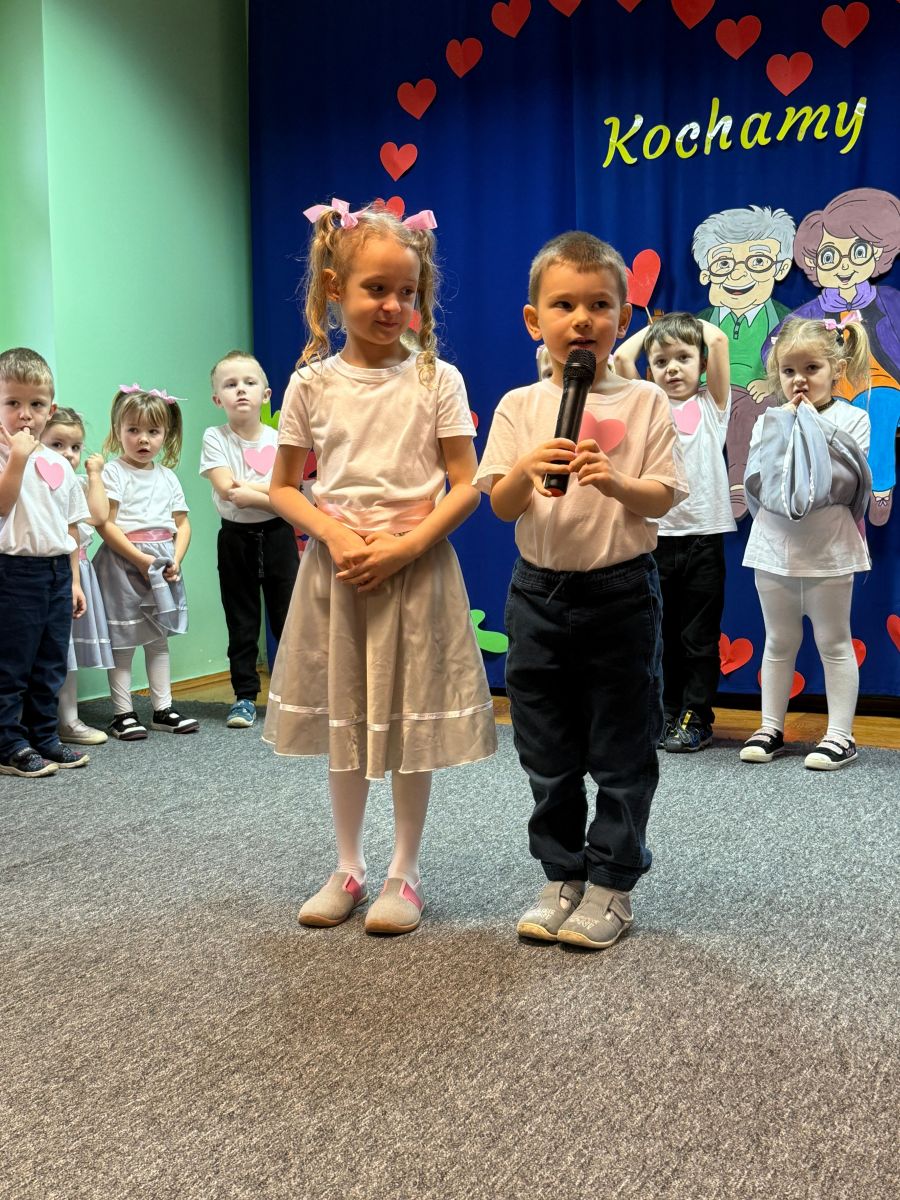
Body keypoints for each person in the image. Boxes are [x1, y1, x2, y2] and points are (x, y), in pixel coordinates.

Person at [263, 199, 496, 936]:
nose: (393, 306)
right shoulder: (310, 384)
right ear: (335, 289)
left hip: (414, 568)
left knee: (407, 722)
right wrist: (334, 534)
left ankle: (404, 871)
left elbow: (468, 483)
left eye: (407, 292)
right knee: (348, 716)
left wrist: (405, 545)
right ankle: (347, 865)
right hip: (338, 572)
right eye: (375, 289)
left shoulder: (437, 379)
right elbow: (282, 487)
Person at [475, 232, 686, 950]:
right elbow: (502, 505)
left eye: (599, 305)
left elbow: (662, 497)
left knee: (623, 745)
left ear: (623, 318)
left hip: (621, 593)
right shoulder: (519, 405)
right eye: (563, 305)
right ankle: (561, 873)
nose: (582, 320)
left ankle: (611, 882)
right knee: (546, 746)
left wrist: (616, 481)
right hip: (537, 594)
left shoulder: (647, 400)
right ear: (535, 320)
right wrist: (526, 468)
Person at [740, 317, 872, 770]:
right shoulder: (768, 422)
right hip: (773, 551)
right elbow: (764, 484)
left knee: (834, 642)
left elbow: (837, 483)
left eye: (812, 368)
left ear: (836, 369)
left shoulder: (853, 419)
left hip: (831, 552)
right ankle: (769, 727)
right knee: (778, 641)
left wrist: (808, 425)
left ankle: (840, 735)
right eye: (789, 370)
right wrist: (789, 425)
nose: (799, 379)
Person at [615, 313, 735, 752]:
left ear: (701, 364)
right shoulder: (647, 404)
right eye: (661, 361)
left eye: (683, 358)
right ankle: (665, 714)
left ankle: (696, 716)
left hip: (703, 538)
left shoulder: (713, 405)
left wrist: (684, 324)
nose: (672, 369)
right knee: (659, 635)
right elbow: (621, 358)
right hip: (656, 538)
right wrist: (655, 333)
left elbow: (717, 340)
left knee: (698, 638)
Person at [0, 348, 90, 777]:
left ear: (50, 410)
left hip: (56, 572)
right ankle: (7, 742)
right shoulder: (6, 457)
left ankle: (43, 734)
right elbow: (3, 506)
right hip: (13, 573)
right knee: (12, 663)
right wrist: (18, 456)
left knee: (50, 661)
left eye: (36, 404)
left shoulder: (58, 463)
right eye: (12, 403)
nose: (25, 414)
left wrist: (73, 581)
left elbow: (70, 528)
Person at [93, 385, 198, 739]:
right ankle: (122, 713)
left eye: (153, 431)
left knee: (157, 638)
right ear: (118, 431)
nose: (143, 439)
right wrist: (139, 559)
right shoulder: (114, 472)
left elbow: (182, 524)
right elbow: (106, 523)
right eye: (133, 430)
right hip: (123, 563)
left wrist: (176, 559)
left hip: (161, 564)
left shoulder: (167, 476)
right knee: (123, 640)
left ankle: (163, 709)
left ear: (166, 434)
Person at [200, 351, 299, 729]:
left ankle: (293, 696)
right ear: (217, 399)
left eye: (249, 382)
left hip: (278, 536)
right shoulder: (215, 438)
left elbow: (293, 497)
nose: (240, 390)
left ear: (266, 394)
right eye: (230, 385)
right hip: (235, 539)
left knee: (288, 620)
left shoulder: (281, 440)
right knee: (241, 621)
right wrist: (273, 493)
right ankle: (244, 696)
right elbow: (228, 490)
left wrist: (259, 494)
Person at [40, 408, 115, 745]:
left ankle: (68, 720)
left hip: (78, 572)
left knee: (66, 653)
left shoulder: (80, 483)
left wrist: (94, 474)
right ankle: (37, 722)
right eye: (57, 445)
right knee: (47, 651)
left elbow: (98, 516)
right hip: (47, 572)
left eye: (75, 447)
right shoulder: (36, 483)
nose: (68, 454)